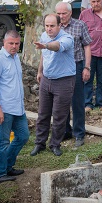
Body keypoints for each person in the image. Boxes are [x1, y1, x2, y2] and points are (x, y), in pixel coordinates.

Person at [0, 30, 29, 184]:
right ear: (4, 43)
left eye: (16, 43)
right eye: (10, 43)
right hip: (4, 109)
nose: (14, 46)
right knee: (3, 141)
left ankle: (8, 166)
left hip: (18, 107)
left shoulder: (15, 57)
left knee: (23, 136)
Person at [31, 14, 76, 157]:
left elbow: (56, 47)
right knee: (43, 114)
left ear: (59, 25)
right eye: (47, 26)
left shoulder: (67, 38)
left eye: (52, 26)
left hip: (64, 80)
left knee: (59, 116)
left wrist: (45, 45)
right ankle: (39, 143)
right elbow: (44, 55)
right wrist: (40, 71)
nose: (49, 29)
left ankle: (55, 144)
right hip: (46, 79)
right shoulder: (44, 35)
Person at [55, 1, 92, 148]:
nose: (61, 16)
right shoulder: (53, 27)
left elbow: (87, 46)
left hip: (76, 66)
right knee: (61, 101)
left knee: (77, 102)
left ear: (70, 13)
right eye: (58, 13)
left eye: (64, 13)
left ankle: (79, 134)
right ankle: (65, 131)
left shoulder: (79, 25)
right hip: (59, 68)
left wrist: (87, 67)